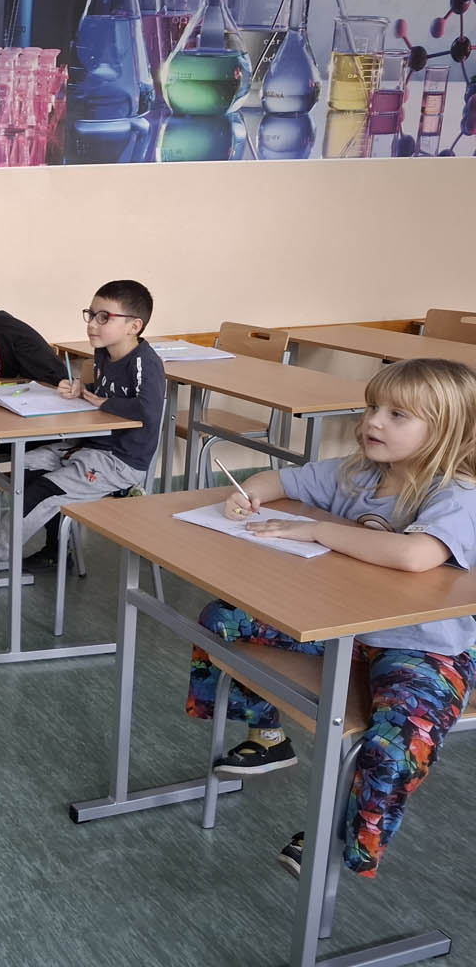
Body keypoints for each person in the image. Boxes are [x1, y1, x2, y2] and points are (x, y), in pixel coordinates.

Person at [188, 357, 476, 880]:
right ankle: (269, 739)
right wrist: (249, 495)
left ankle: (341, 837)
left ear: (448, 431)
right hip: (343, 628)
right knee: (223, 619)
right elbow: (282, 478)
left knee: (398, 740)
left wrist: (318, 531)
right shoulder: (357, 472)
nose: (373, 422)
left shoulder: (458, 493)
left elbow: (417, 555)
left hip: (424, 645)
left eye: (397, 415)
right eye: (373, 408)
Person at [0, 280, 164, 584]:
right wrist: (83, 389)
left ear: (134, 326)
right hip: (88, 447)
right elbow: (107, 392)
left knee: (43, 493)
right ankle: (57, 548)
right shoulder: (103, 354)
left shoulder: (145, 363)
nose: (92, 324)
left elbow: (148, 410)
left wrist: (103, 401)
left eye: (104, 317)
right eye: (91, 314)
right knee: (23, 469)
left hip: (120, 460)